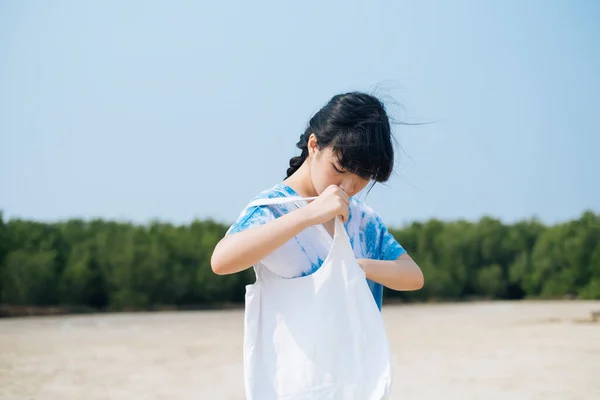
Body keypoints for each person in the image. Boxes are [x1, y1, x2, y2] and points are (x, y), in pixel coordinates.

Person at [210, 90, 423, 310]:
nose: (349, 187)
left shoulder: (362, 219)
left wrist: (354, 267)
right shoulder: (274, 208)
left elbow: (413, 277)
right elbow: (221, 261)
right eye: (339, 168)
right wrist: (308, 215)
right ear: (314, 145)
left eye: (363, 176)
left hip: (359, 345)